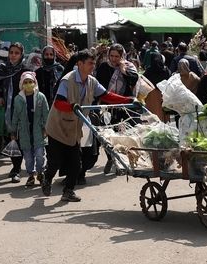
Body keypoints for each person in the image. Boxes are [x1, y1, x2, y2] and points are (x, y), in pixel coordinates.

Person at [41, 49, 135, 202]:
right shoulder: (67, 80)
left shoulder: (92, 81)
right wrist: (72, 106)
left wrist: (127, 100)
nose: (93, 66)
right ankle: (47, 178)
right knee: (55, 161)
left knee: (76, 163)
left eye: (93, 63)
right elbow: (58, 102)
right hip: (58, 126)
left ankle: (68, 191)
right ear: (79, 64)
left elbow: (106, 95)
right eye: (90, 63)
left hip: (74, 127)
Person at [95, 44, 139, 174]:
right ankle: (111, 158)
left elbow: (133, 80)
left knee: (123, 135)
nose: (114, 59)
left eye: (117, 56)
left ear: (122, 56)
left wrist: (123, 70)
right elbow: (99, 86)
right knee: (108, 134)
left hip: (124, 106)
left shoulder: (128, 66)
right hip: (107, 106)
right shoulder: (103, 67)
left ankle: (121, 160)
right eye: (112, 56)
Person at [0, 42, 29, 183]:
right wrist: (0, 96)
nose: (13, 55)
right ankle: (16, 167)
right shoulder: (2, 69)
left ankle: (17, 169)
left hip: (21, 110)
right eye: (11, 52)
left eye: (16, 53)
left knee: (19, 139)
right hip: (7, 110)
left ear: (21, 55)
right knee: (11, 138)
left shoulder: (25, 71)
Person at [11, 72, 49, 187]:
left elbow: (46, 114)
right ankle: (31, 175)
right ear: (22, 84)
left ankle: (40, 173)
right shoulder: (18, 99)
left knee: (39, 155)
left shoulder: (41, 97)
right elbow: (15, 116)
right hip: (24, 132)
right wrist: (13, 131)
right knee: (28, 158)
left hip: (38, 131)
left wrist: (45, 128)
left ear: (34, 83)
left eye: (30, 82)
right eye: (26, 82)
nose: (28, 84)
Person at [143, 51, 172, 121]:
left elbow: (143, 79)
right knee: (163, 113)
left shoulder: (149, 70)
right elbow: (170, 79)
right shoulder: (165, 69)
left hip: (152, 94)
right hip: (164, 93)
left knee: (154, 115)